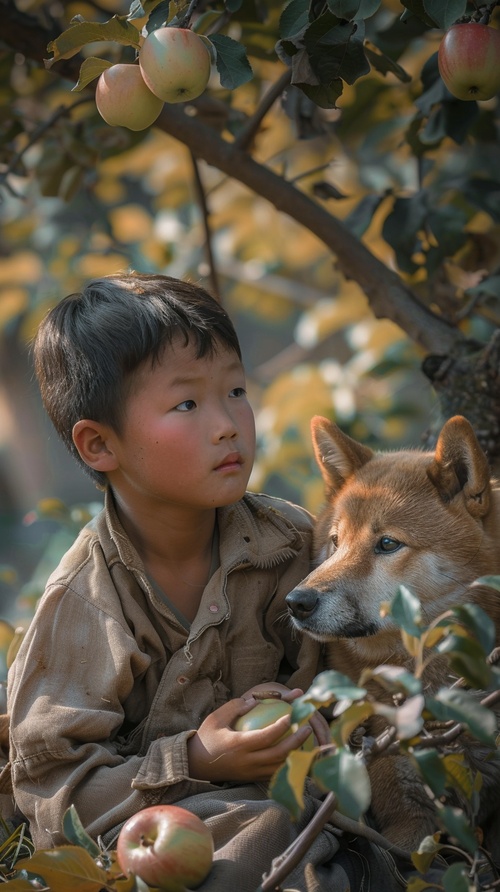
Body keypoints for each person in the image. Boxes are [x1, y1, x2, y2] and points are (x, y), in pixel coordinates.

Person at [6, 273, 406, 891]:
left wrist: (312, 719)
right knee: (273, 835)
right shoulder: (86, 601)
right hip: (163, 824)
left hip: (304, 793)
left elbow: (345, 670)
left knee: (330, 824)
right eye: (187, 404)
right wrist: (195, 758)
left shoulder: (291, 546)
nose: (228, 425)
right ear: (98, 444)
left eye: (237, 391)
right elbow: (51, 784)